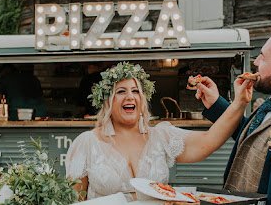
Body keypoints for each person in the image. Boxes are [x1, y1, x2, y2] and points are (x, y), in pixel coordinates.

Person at [65, 61, 253, 201]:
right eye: (121, 91)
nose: (130, 97)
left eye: (136, 91)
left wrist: (240, 103)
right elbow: (74, 200)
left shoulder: (161, 136)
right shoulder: (87, 143)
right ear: (108, 100)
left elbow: (208, 141)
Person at [195, 26, 271, 205]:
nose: (256, 62)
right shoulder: (270, 105)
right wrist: (217, 103)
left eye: (263, 57)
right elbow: (251, 138)